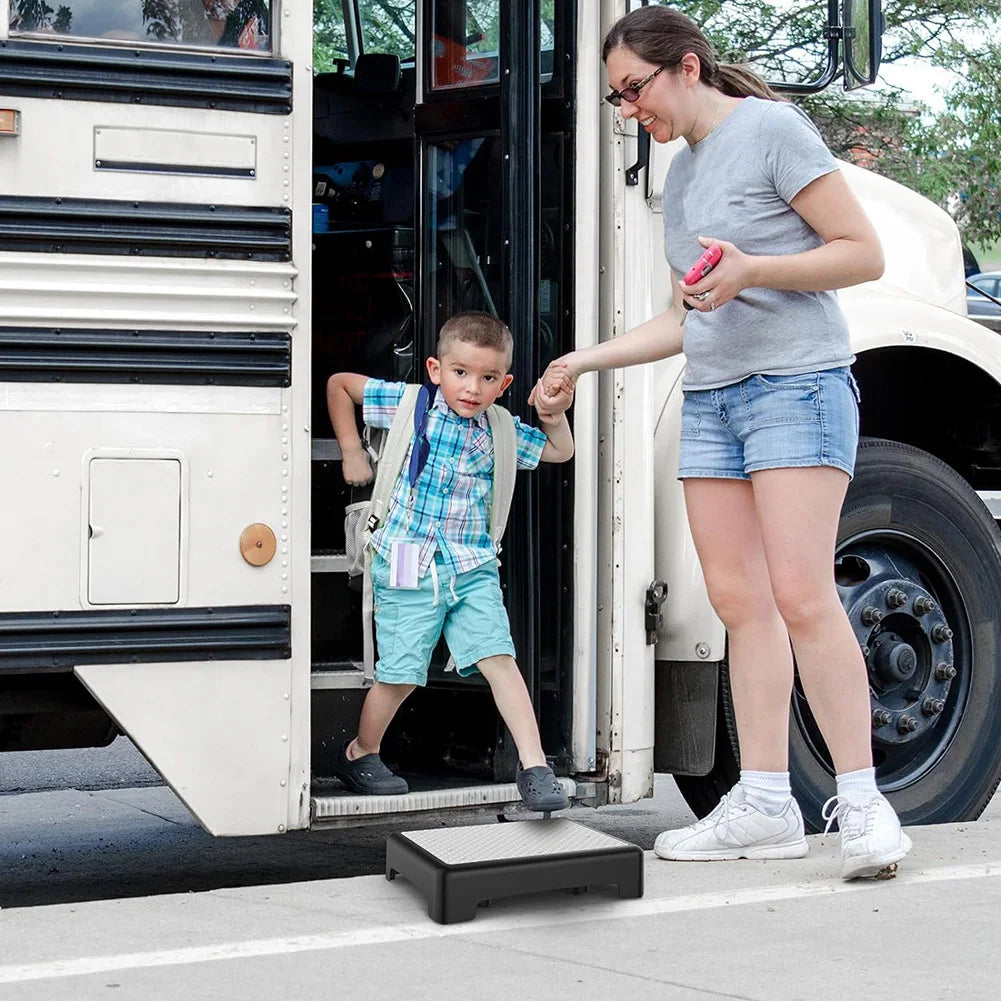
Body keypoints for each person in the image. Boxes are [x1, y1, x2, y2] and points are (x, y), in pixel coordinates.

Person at [533, 6, 911, 879]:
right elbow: (681, 315)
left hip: (795, 389)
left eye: (633, 90)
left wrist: (754, 269)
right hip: (712, 399)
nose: (628, 111)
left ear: (687, 67)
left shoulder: (773, 130)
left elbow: (862, 254)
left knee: (801, 595)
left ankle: (861, 802)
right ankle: (766, 803)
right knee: (740, 605)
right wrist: (583, 361)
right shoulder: (683, 176)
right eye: (616, 99)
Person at [326, 311, 574, 812]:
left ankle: (535, 766)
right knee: (400, 673)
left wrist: (552, 414)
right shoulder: (410, 404)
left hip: (472, 565)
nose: (472, 388)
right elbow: (339, 385)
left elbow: (559, 452)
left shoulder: (500, 428)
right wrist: (351, 449)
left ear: (504, 384)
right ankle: (361, 753)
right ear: (436, 369)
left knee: (499, 661)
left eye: (487, 379)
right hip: (406, 560)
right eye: (461, 373)